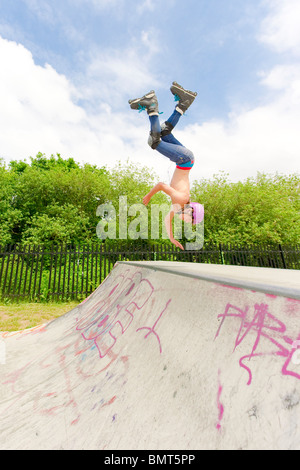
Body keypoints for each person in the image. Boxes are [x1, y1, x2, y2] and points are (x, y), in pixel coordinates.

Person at [128, 82, 203, 250]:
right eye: (190, 222)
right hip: (184, 159)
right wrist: (149, 196)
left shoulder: (178, 208)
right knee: (154, 142)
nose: (186, 224)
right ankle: (151, 104)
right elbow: (161, 185)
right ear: (190, 213)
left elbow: (167, 220)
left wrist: (171, 238)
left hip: (186, 160)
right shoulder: (182, 200)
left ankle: (183, 103)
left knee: (164, 131)